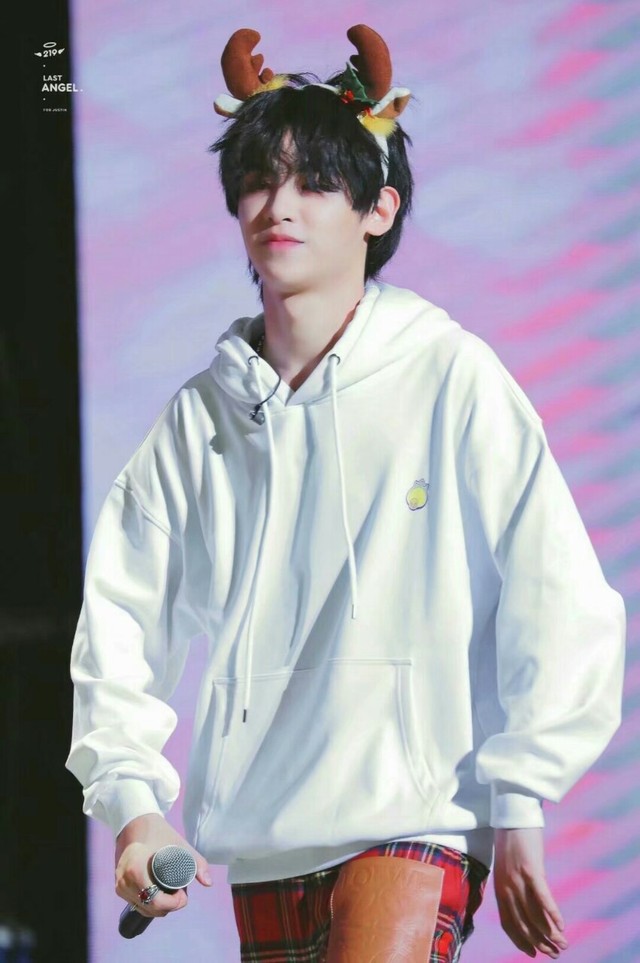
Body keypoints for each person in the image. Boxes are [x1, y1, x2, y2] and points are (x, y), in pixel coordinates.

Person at [66, 24, 626, 963]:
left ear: (378, 208)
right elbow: (121, 622)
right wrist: (132, 806)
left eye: (316, 182)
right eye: (259, 179)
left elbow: (558, 591)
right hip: (263, 835)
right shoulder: (199, 420)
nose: (279, 205)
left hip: (415, 819)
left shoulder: (450, 375)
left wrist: (520, 801)